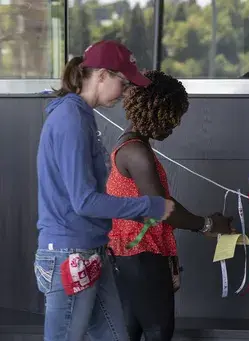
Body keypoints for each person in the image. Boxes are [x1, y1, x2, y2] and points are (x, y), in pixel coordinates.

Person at [34, 40, 175, 341]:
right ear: (101, 75)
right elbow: (84, 201)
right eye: (123, 83)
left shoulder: (80, 116)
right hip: (70, 253)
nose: (126, 93)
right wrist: (149, 206)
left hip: (89, 250)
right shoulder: (70, 119)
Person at [106, 69, 235, 341]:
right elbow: (162, 208)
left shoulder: (131, 145)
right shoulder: (136, 152)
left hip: (133, 256)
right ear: (157, 112)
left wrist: (203, 224)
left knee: (131, 332)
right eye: (172, 117)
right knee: (158, 332)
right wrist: (208, 225)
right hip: (140, 257)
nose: (174, 125)